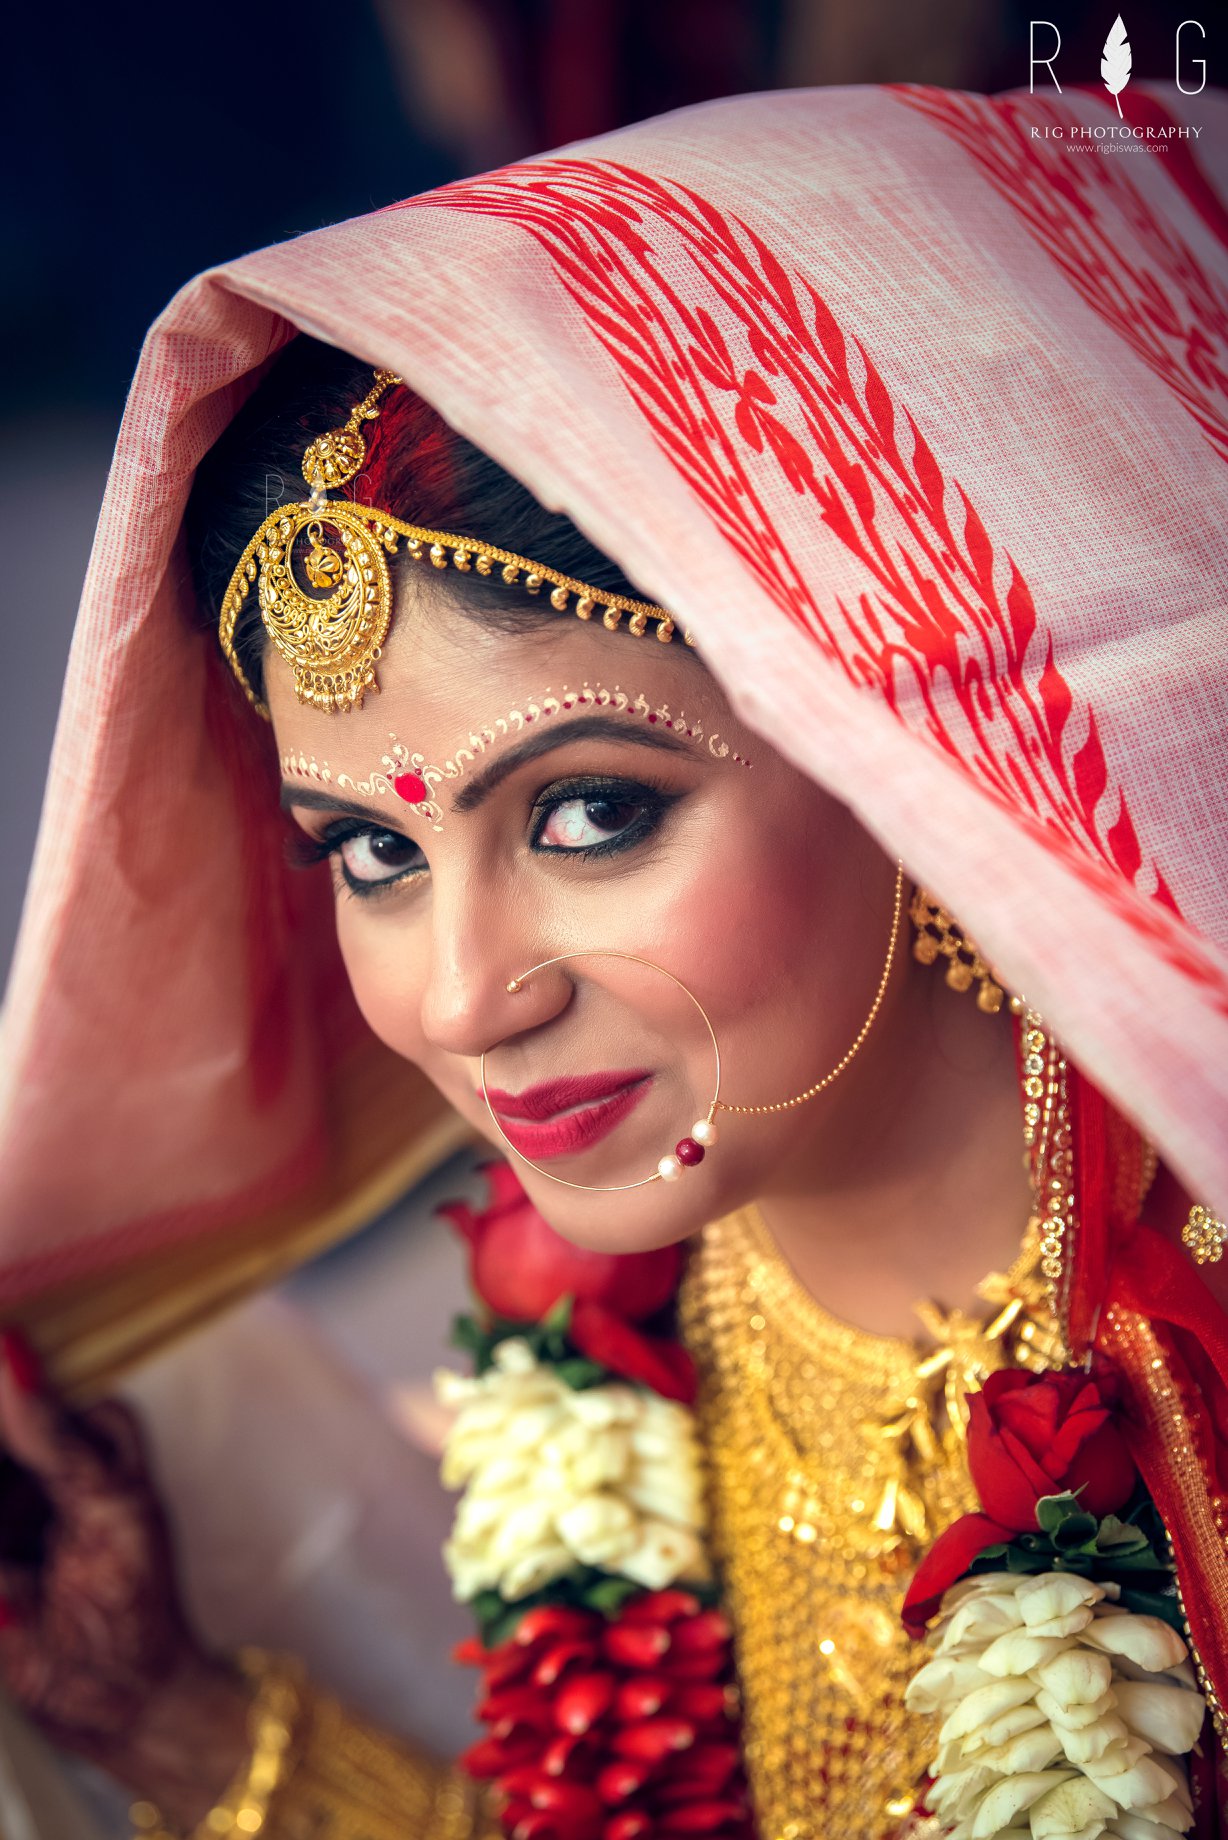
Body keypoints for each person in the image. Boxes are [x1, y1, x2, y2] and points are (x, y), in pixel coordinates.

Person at [1, 78, 1226, 1840]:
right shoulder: (627, 1295)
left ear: (911, 760)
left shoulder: (1194, 1343)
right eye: (370, 852)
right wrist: (177, 1730)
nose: (458, 999)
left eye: (589, 814)